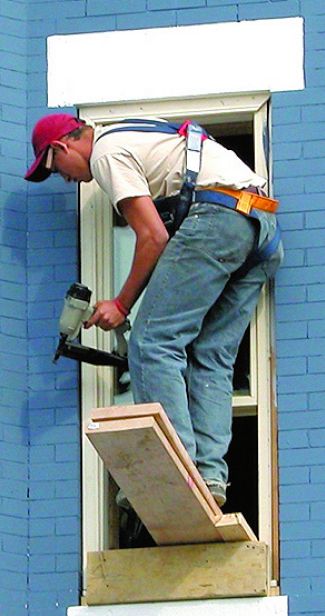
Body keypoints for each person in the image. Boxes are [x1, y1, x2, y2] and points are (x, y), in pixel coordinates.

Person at [25, 113, 283, 507]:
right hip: (259, 228)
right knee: (209, 355)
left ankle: (176, 473)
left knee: (152, 343)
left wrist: (121, 303)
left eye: (55, 168)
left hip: (217, 219)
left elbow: (152, 236)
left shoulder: (106, 152)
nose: (66, 179)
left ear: (62, 146)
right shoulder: (138, 135)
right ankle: (209, 478)